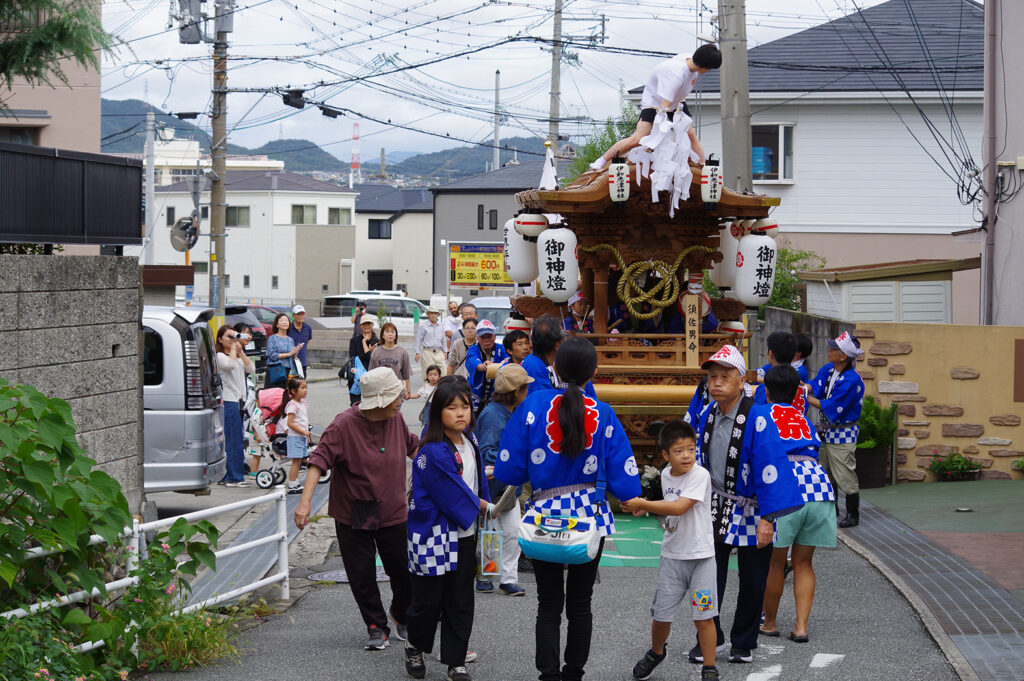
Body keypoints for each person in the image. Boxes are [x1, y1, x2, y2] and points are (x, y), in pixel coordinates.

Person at [494, 338, 642, 681]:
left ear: (555, 368)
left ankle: (548, 674)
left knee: (548, 603)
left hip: (543, 512)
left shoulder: (533, 405)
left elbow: (508, 471)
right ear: (593, 372)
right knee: (580, 603)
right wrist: (632, 498)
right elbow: (626, 481)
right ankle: (574, 673)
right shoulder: (603, 412)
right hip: (590, 514)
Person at [293, 367, 419, 651]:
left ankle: (401, 613)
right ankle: (376, 626)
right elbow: (318, 463)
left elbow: (415, 448)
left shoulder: (396, 419)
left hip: (393, 509)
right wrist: (304, 503)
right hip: (354, 511)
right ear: (380, 400)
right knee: (362, 574)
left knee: (404, 570)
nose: (401, 400)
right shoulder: (343, 425)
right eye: (396, 396)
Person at [690, 344, 800, 665]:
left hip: (753, 507)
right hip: (715, 504)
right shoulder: (707, 414)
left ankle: (744, 641)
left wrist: (769, 518)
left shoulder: (759, 416)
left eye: (725, 377)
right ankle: (708, 637)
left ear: (741, 381)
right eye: (712, 377)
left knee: (753, 579)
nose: (716, 383)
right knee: (707, 577)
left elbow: (771, 466)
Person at [404, 377, 493, 681]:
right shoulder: (433, 450)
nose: (460, 413)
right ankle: (414, 645)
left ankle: (456, 661)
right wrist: (485, 507)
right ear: (437, 412)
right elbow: (452, 492)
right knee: (427, 602)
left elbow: (476, 483)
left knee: (460, 600)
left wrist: (484, 506)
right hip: (434, 535)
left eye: (465, 407)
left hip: (463, 535)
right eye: (452, 408)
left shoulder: (470, 441)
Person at [621, 420, 720, 681]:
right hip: (673, 557)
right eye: (679, 451)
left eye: (691, 449)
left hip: (701, 558)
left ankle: (709, 667)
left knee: (704, 616)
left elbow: (679, 507)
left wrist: (643, 503)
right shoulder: (666, 474)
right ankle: (656, 652)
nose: (686, 455)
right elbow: (671, 503)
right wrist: (647, 507)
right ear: (665, 455)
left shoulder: (700, 475)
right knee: (662, 616)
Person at [758, 365, 837, 644]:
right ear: (796, 394)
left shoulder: (760, 414)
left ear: (766, 391)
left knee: (775, 563)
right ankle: (801, 627)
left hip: (786, 488)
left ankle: (769, 623)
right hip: (819, 487)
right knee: (803, 562)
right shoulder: (802, 418)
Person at [590, 44, 722, 171]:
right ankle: (601, 160)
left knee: (691, 135)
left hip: (677, 101)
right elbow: (663, 108)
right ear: (704, 65)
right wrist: (657, 137)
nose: (709, 71)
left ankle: (704, 166)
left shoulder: (689, 60)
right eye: (710, 68)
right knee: (638, 139)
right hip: (655, 103)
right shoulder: (676, 75)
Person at [474, 364, 533, 596]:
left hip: (508, 487)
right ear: (517, 391)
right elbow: (487, 453)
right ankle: (486, 576)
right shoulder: (492, 415)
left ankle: (508, 579)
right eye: (525, 387)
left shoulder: (511, 411)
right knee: (491, 534)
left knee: (512, 534)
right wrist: (516, 460)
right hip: (492, 488)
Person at [806, 332, 865, 528]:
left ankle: (853, 513)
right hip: (826, 430)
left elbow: (831, 406)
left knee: (844, 473)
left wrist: (805, 397)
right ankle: (832, 509)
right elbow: (815, 384)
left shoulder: (851, 380)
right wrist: (803, 387)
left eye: (833, 349)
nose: (829, 351)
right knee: (825, 471)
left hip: (843, 433)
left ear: (843, 356)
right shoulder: (829, 369)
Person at [216, 325, 255, 487]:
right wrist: (234, 348)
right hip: (229, 401)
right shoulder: (219, 356)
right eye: (228, 336)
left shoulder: (236, 354)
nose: (232, 339)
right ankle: (234, 477)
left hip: (239, 401)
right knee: (233, 440)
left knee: (235, 439)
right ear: (220, 339)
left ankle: (229, 475)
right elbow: (229, 365)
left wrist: (241, 351)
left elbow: (251, 368)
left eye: (234, 336)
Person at [522, 316, 597, 398]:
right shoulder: (532, 366)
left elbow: (591, 397)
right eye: (564, 335)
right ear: (557, 345)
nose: (567, 337)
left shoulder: (566, 361)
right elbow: (544, 401)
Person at [463, 320, 507, 411]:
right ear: (477, 337)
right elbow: (471, 360)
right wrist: (480, 366)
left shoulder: (501, 348)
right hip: (475, 396)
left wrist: (504, 363)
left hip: (496, 397)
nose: (486, 340)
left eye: (489, 336)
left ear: (495, 336)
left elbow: (508, 359)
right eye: (483, 337)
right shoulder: (473, 349)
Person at [280, 377, 312, 494]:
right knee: (295, 462)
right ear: (294, 391)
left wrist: (306, 433)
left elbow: (302, 420)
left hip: (301, 437)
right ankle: (293, 485)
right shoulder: (292, 405)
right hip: (295, 438)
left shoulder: (302, 403)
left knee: (298, 462)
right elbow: (290, 423)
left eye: (306, 387)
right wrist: (303, 432)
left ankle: (296, 483)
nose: (305, 390)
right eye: (302, 388)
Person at [370, 321, 412, 400]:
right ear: (382, 335)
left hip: (397, 391)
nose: (390, 334)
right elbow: (371, 374)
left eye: (392, 332)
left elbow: (406, 375)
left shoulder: (402, 352)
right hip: (380, 392)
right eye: (387, 332)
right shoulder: (376, 352)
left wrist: (408, 391)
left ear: (396, 335)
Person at [348, 314, 379, 406]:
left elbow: (375, 360)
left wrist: (367, 351)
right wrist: (368, 352)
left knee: (371, 406)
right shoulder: (354, 340)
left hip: (372, 378)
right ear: (360, 326)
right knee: (355, 406)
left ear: (372, 325)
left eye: (369, 323)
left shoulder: (377, 342)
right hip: (356, 379)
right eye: (364, 324)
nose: (366, 326)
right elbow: (352, 358)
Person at [266, 312, 301, 389]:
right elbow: (272, 355)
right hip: (275, 371)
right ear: (277, 325)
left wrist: (296, 350)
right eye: (282, 320)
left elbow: (293, 357)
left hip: (287, 371)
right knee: (274, 393)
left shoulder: (290, 339)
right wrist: (289, 354)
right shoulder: (272, 338)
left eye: (286, 320)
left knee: (286, 393)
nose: (285, 322)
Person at [415, 306, 447, 384]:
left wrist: (445, 351)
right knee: (427, 373)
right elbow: (418, 339)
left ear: (438, 315)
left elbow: (444, 339)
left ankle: (441, 390)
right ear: (428, 314)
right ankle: (427, 390)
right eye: (431, 313)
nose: (433, 315)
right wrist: (417, 352)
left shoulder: (441, 325)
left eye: (435, 313)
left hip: (439, 352)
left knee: (443, 373)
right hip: (427, 352)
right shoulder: (423, 326)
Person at [413, 364, 442, 429]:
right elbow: (417, 395)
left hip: (439, 407)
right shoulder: (426, 386)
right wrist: (408, 396)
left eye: (435, 375)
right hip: (429, 408)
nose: (433, 377)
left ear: (439, 376)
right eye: (430, 375)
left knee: (439, 424)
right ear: (427, 376)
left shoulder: (441, 386)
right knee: (427, 424)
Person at [287, 304, 313, 376]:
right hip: (289, 362)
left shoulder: (308, 328)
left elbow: (307, 341)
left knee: (302, 381)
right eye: (298, 314)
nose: (300, 316)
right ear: (293, 315)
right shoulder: (288, 328)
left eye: (302, 314)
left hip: (302, 362)